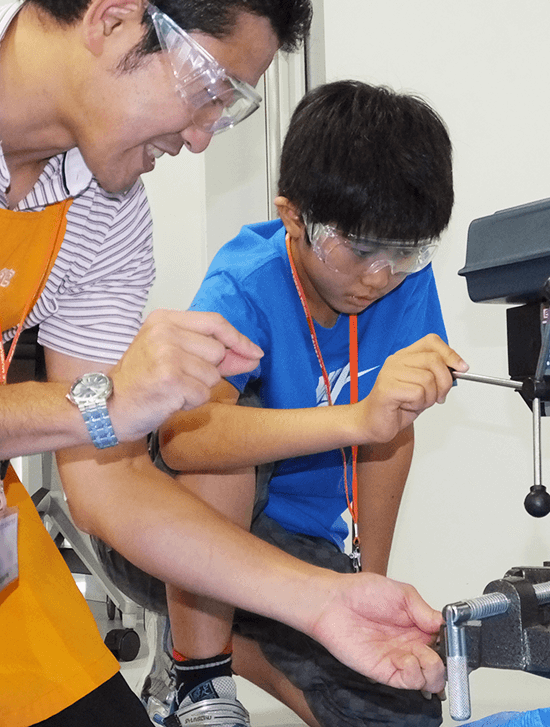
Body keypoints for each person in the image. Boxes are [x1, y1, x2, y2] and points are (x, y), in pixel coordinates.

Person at [0, 0, 467, 726]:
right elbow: (111, 419)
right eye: (212, 88)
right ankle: (202, 674)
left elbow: (108, 487)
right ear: (116, 19)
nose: (202, 136)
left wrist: (328, 600)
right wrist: (95, 402)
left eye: (231, 106)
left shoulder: (108, 213)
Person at [129, 80, 457, 726]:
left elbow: (391, 438)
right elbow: (186, 442)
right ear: (294, 216)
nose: (378, 276)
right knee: (224, 426)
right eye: (359, 249)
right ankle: (198, 674)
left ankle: (216, 643)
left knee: (400, 710)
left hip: (300, 551)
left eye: (404, 252)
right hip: (171, 534)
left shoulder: (402, 284)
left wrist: (370, 593)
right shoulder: (246, 283)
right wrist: (357, 418)